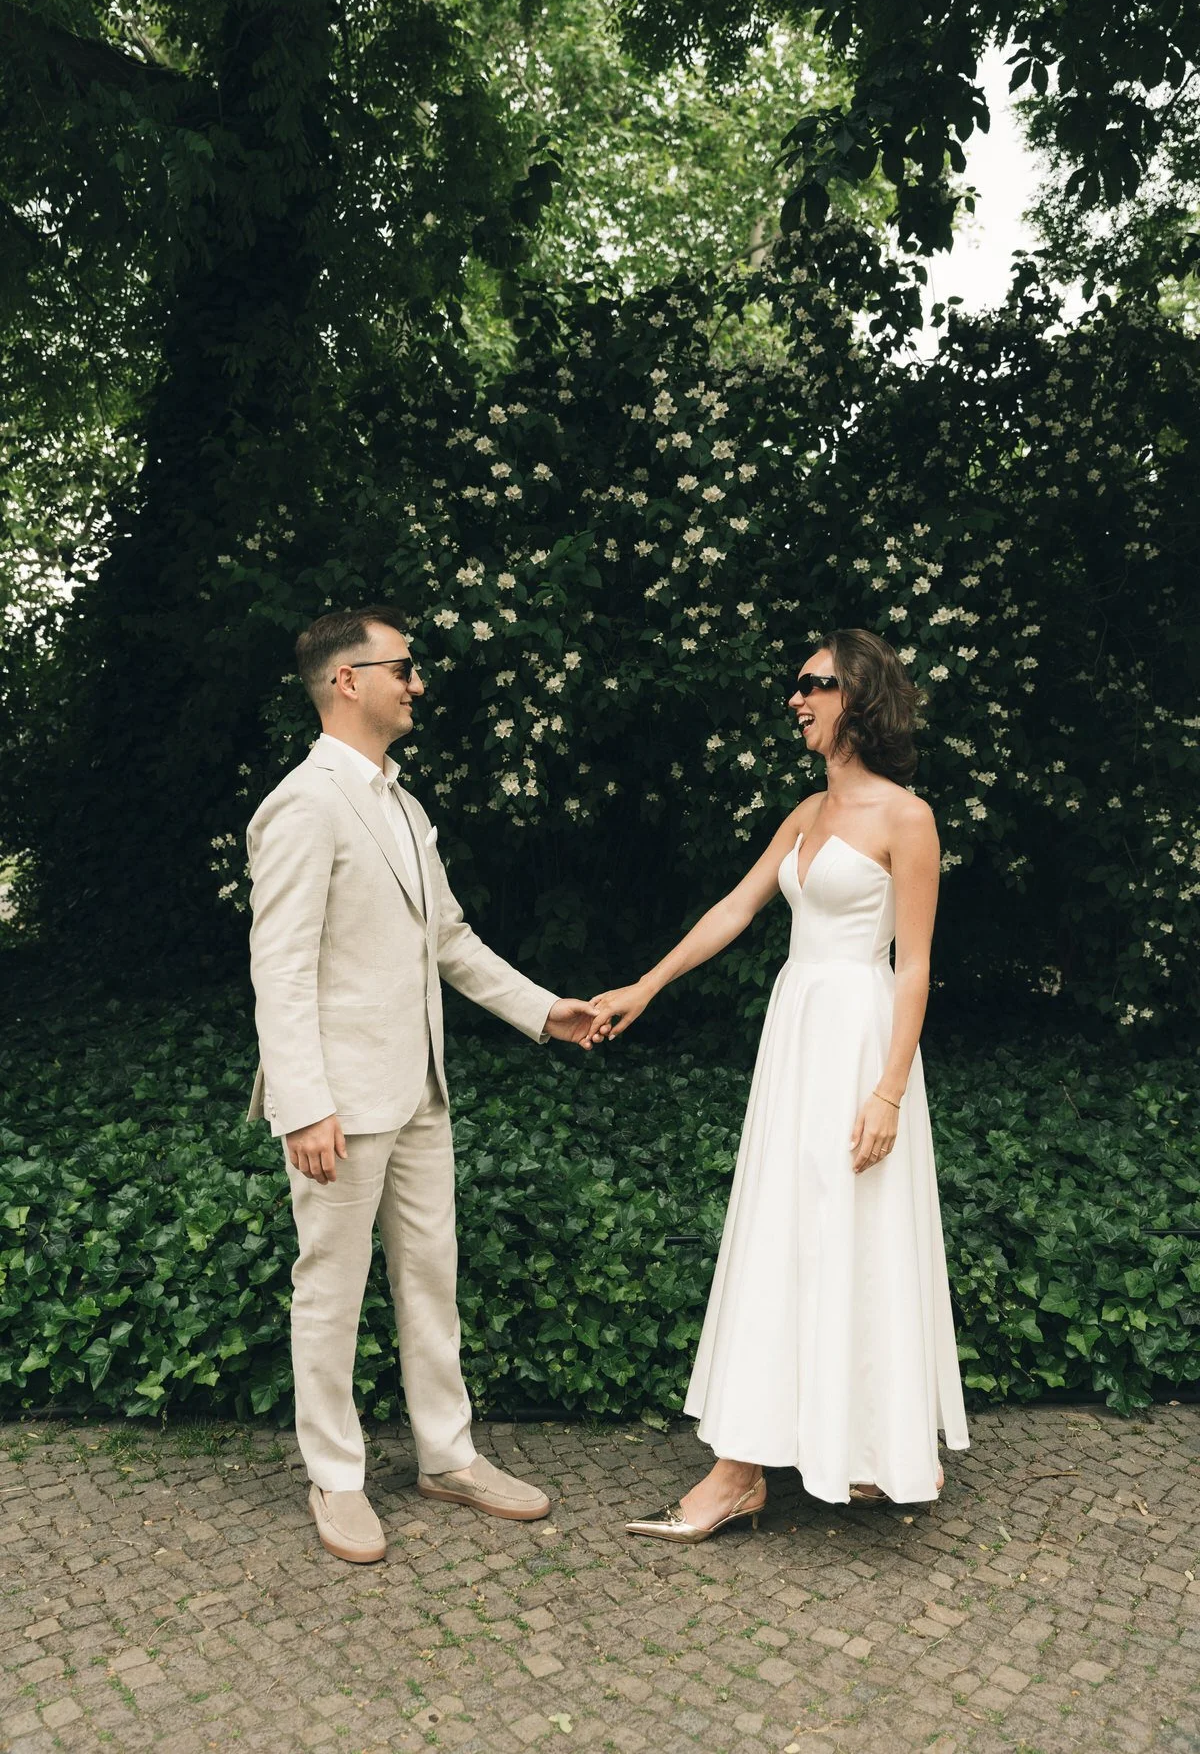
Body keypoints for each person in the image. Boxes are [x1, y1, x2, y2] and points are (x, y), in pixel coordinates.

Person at [587, 628, 969, 1541]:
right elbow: (736, 907)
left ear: (860, 695)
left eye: (815, 684)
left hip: (861, 1042)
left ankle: (854, 1450)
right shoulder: (805, 814)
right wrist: (646, 985)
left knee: (855, 1228)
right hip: (796, 1035)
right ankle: (746, 1467)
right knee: (784, 1230)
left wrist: (887, 1092)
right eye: (796, 686)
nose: (797, 699)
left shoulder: (906, 819)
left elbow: (913, 966)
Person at [247, 606, 605, 1564]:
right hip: (340, 1103)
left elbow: (448, 939)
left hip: (421, 1092)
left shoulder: (403, 806)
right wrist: (304, 1102)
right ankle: (336, 1477)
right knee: (330, 1289)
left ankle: (446, 1456)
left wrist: (544, 1010)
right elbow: (279, 968)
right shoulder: (303, 803)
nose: (416, 683)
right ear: (346, 681)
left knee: (430, 1281)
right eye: (399, 667)